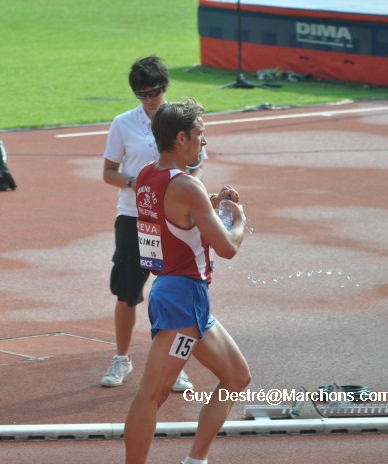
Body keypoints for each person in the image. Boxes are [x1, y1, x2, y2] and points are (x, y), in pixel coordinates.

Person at [124, 98, 251, 464]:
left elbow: (173, 216)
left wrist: (207, 205)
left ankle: (196, 460)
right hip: (182, 299)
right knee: (153, 395)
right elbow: (227, 248)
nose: (203, 143)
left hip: (180, 295)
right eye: (200, 135)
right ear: (181, 138)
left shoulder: (149, 174)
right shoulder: (187, 187)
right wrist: (237, 217)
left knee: (237, 377)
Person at [101, 55, 205, 390]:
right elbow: (109, 172)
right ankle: (122, 358)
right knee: (128, 292)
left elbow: (196, 163)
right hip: (135, 217)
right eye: (142, 95)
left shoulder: (182, 118)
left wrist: (186, 194)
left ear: (165, 87)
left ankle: (175, 365)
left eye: (154, 92)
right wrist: (137, 183)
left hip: (173, 220)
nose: (149, 100)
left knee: (174, 290)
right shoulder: (123, 124)